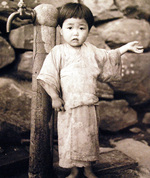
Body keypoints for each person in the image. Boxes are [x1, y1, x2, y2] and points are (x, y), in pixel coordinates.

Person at [37, 2, 144, 178]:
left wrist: (125, 48)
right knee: (70, 139)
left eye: (81, 28)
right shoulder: (58, 52)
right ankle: (73, 170)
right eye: (70, 27)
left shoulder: (92, 51)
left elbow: (109, 56)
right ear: (61, 30)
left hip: (89, 106)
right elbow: (47, 76)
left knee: (89, 138)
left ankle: (88, 169)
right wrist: (55, 97)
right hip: (69, 107)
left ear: (88, 30)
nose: (76, 32)